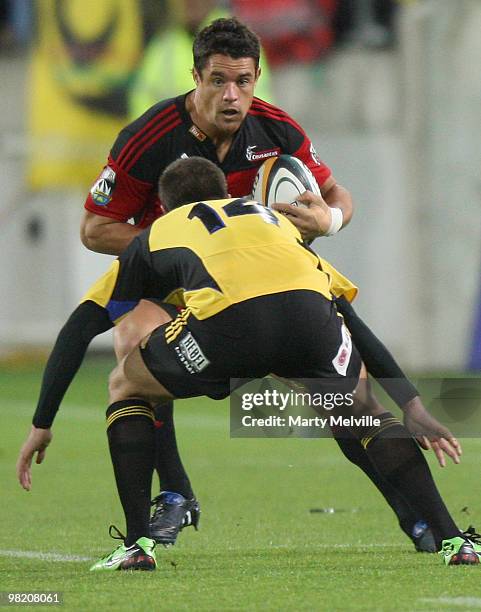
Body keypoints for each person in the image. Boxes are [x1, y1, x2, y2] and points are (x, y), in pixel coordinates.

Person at [17, 157, 479, 571]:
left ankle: (138, 544)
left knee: (126, 384)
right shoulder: (274, 223)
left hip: (227, 328)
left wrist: (42, 421)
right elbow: (351, 320)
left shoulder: (160, 230)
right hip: (308, 318)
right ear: (226, 193)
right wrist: (412, 404)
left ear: (165, 204)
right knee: (363, 414)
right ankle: (454, 541)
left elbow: (81, 327)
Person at [80, 17, 434, 551]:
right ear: (195, 76)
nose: (232, 95)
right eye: (218, 80)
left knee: (344, 397)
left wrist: (330, 221)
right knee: (133, 343)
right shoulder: (147, 138)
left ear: (257, 78)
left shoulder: (277, 131)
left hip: (264, 283)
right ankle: (174, 491)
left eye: (243, 81)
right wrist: (180, 243)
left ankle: (417, 517)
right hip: (177, 281)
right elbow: (95, 228)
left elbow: (337, 195)